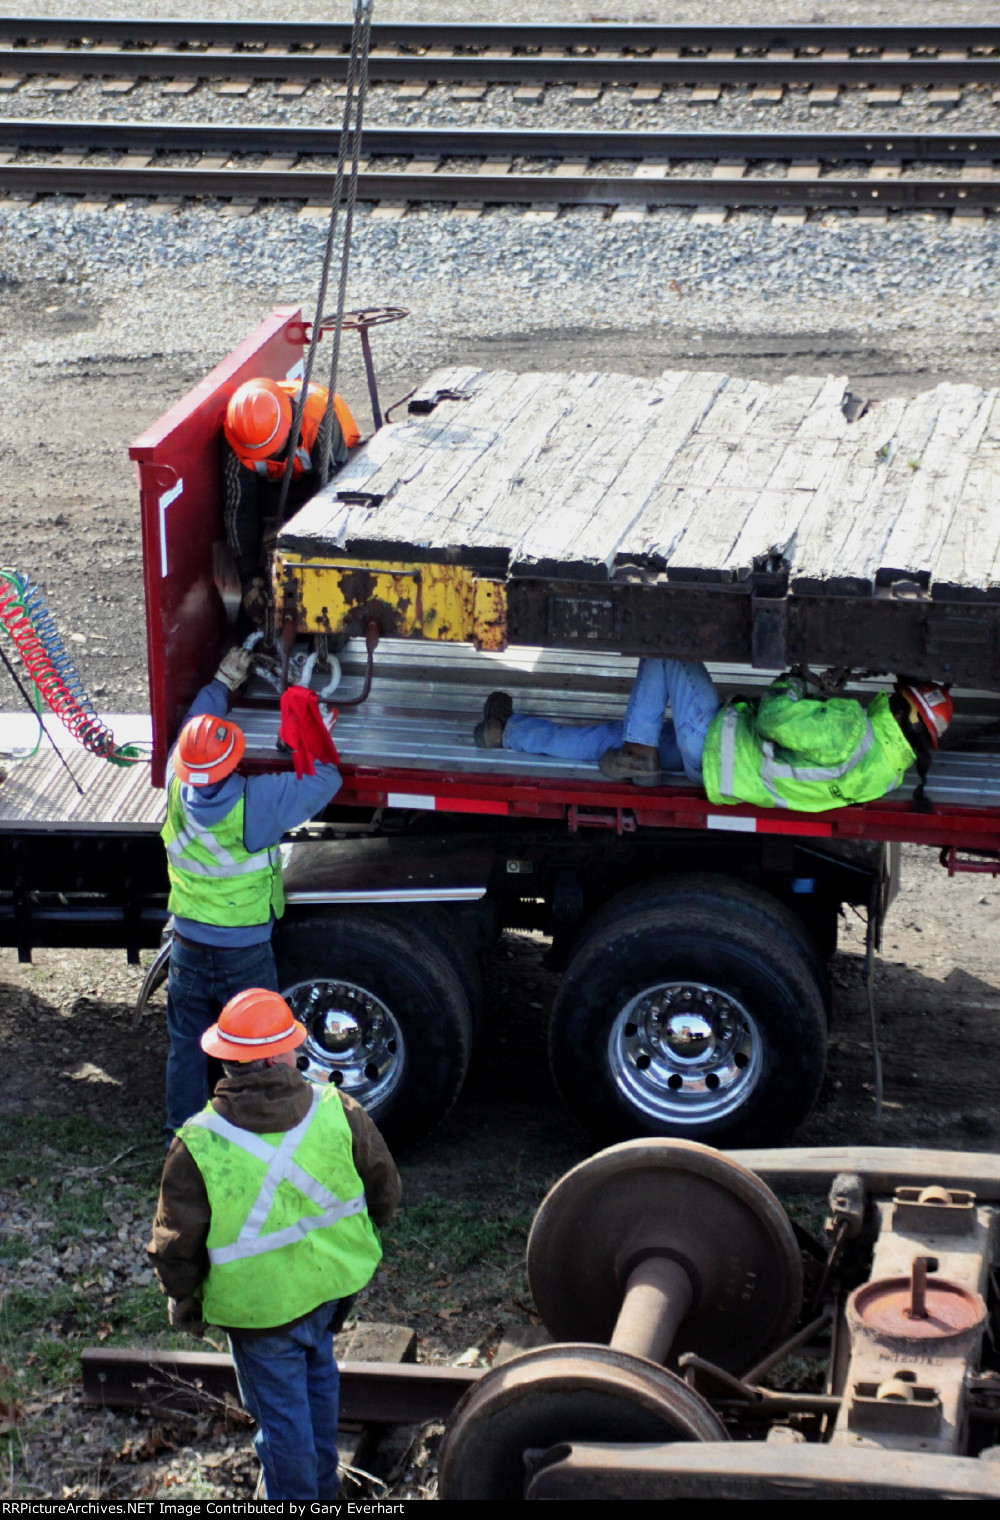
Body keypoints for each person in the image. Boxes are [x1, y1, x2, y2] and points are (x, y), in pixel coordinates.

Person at [148, 987, 401, 1502]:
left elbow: (177, 1243)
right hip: (329, 1287)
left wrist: (184, 1299)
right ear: (284, 1053)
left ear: (229, 1060)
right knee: (318, 1382)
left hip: (259, 1310)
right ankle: (322, 1486)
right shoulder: (338, 1109)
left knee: (282, 1419)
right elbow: (385, 1190)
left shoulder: (199, 1142)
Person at [160, 646, 341, 1139]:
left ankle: (184, 1139)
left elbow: (190, 736)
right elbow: (326, 778)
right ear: (232, 758)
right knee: (259, 1049)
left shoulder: (175, 783)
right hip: (244, 953)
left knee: (187, 1046)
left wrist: (220, 684)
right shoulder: (256, 803)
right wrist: (310, 720)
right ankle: (260, 1136)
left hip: (188, 946)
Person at [474, 657, 952, 810]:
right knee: (610, 739)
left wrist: (799, 682)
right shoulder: (886, 774)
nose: (886, 697)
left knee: (667, 651)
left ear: (904, 711)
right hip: (726, 775)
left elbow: (774, 719)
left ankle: (639, 755)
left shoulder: (854, 727)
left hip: (718, 745)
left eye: (895, 697)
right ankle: (506, 732)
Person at [223, 377, 361, 625]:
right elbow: (239, 507)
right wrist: (249, 577)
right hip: (276, 486)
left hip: (333, 478)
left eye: (272, 451)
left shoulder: (319, 423)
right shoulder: (239, 434)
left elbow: (331, 504)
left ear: (287, 427)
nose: (267, 457)